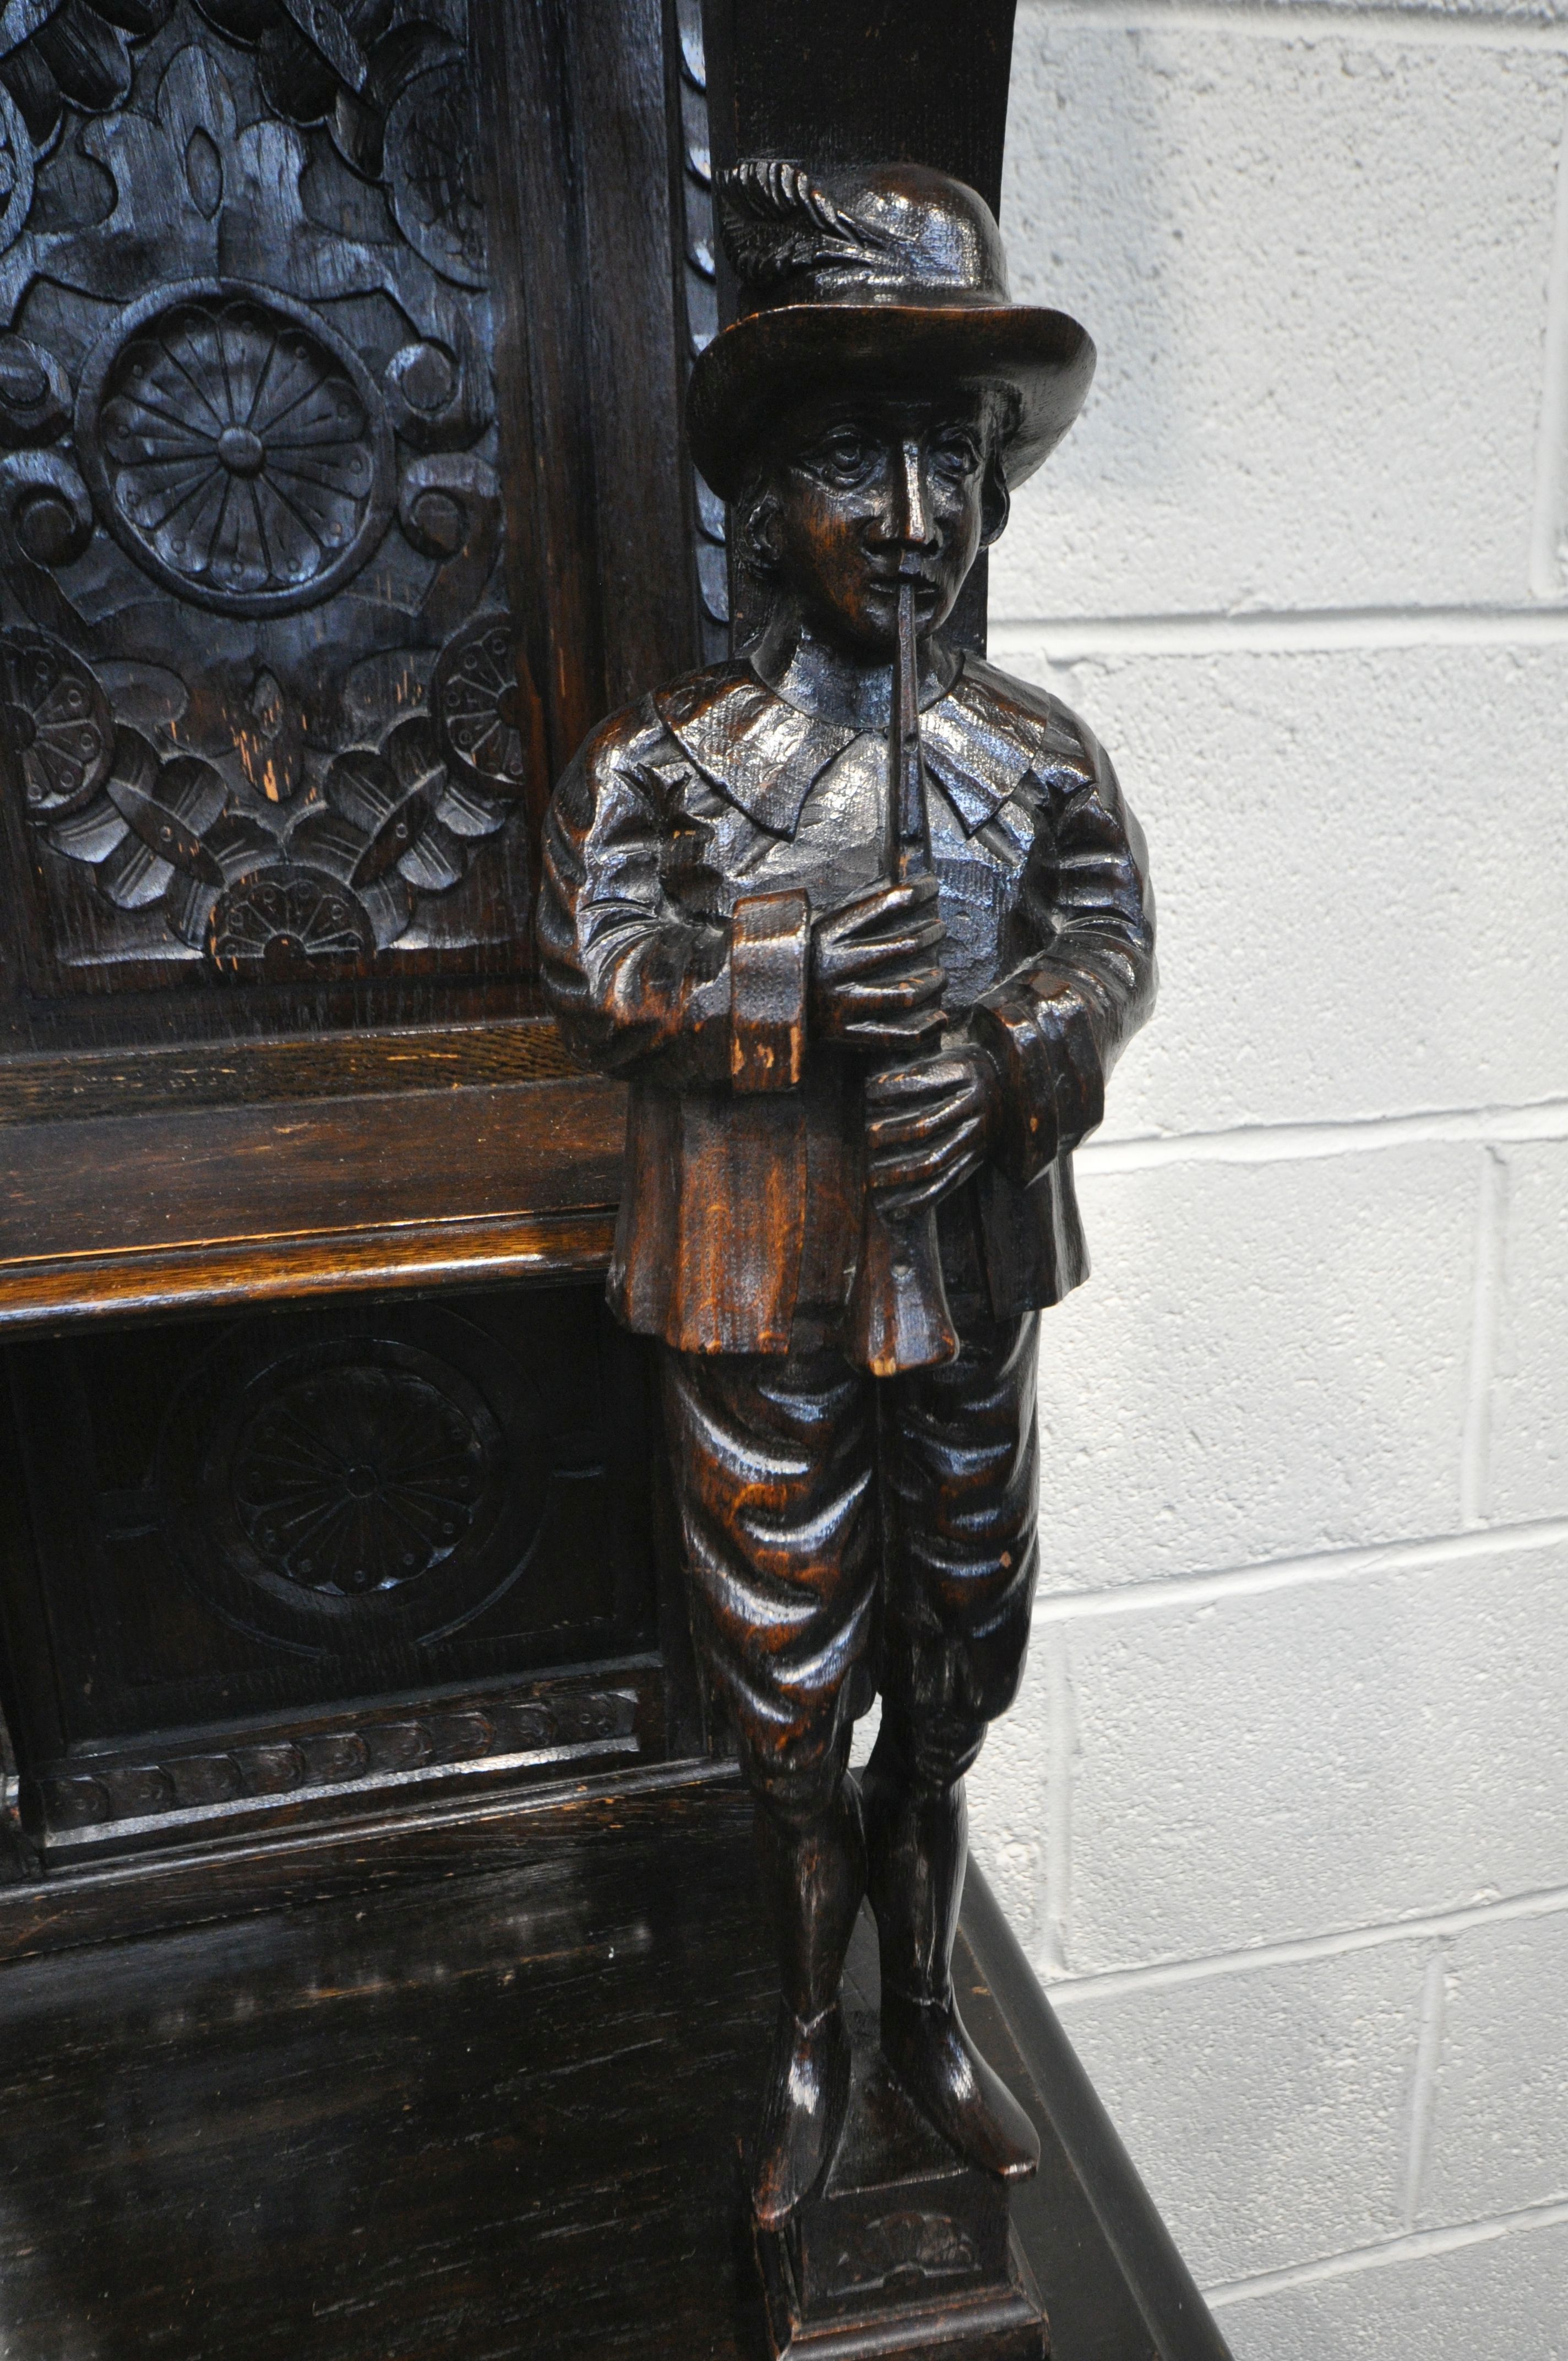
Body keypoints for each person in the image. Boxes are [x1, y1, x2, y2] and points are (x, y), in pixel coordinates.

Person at [538, 159, 1156, 2229]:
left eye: (957, 467)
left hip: (962, 1284)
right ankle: (808, 2027)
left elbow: (1106, 945)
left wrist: (1013, 1054)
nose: (914, 522)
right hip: (760, 1290)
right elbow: (601, 971)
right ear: (765, 492)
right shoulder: (665, 765)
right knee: (788, 1681)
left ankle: (927, 2011)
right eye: (862, 466)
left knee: (963, 1648)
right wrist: (780, 980)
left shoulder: (1033, 757)